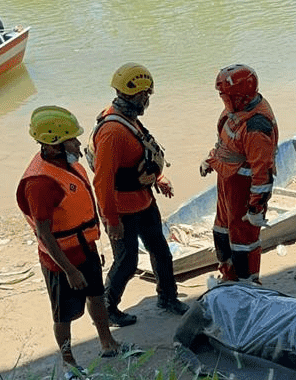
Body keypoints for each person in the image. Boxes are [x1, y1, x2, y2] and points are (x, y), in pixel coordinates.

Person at [16, 106, 125, 378]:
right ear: (53, 145)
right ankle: (68, 362)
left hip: (85, 247)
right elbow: (44, 233)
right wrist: (69, 270)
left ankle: (106, 342)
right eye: (72, 140)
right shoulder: (40, 183)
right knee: (63, 314)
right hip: (60, 259)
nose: (78, 143)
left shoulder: (68, 163)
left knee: (96, 296)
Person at [90, 63, 187, 326]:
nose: (147, 100)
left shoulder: (129, 119)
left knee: (161, 252)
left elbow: (140, 156)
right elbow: (103, 180)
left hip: (143, 201)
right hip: (122, 209)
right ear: (134, 94)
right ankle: (108, 307)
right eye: (145, 95)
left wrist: (158, 178)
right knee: (127, 261)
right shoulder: (112, 132)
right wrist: (111, 220)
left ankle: (168, 296)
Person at [199, 65, 278, 284]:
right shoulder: (234, 112)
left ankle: (248, 283)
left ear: (242, 95)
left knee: (244, 242)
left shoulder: (256, 126)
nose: (223, 100)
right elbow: (225, 144)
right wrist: (211, 159)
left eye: (227, 96)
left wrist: (256, 207)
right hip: (227, 184)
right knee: (221, 232)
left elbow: (262, 174)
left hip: (243, 190)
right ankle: (229, 275)